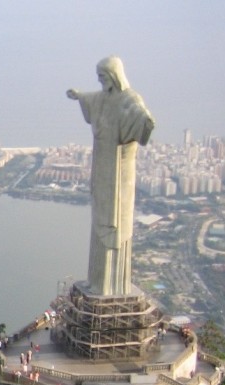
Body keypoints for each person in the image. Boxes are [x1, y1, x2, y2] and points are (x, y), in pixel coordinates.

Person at [67, 56, 155, 296]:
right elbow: (91, 99)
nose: (100, 81)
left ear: (114, 75)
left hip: (120, 172)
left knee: (115, 223)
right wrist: (78, 95)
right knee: (100, 220)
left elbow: (142, 120)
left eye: (103, 77)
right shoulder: (103, 98)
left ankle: (113, 286)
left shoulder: (130, 99)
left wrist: (145, 121)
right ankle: (97, 282)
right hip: (102, 168)